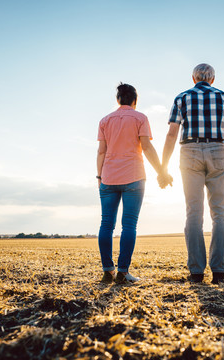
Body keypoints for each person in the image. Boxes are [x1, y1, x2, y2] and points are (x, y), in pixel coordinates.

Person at [159, 63, 224, 284]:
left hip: (189, 152)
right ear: (212, 79)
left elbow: (171, 134)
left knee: (193, 213)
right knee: (220, 212)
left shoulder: (182, 97)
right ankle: (219, 272)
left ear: (193, 78)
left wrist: (163, 167)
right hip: (218, 150)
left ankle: (196, 273)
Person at [97, 83, 165, 284]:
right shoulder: (140, 118)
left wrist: (99, 177)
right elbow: (147, 147)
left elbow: (101, 151)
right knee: (129, 225)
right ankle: (123, 272)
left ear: (118, 100)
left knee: (106, 224)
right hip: (134, 177)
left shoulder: (105, 120)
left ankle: (107, 271)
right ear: (135, 100)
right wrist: (162, 170)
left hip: (108, 177)